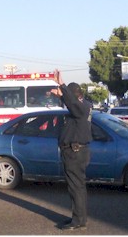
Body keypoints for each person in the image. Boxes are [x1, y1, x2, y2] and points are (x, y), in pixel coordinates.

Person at [48, 71, 91, 231]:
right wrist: (61, 95)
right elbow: (72, 105)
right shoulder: (82, 107)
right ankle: (79, 218)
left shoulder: (81, 108)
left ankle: (78, 221)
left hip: (75, 152)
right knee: (78, 187)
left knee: (75, 187)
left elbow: (72, 104)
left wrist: (62, 85)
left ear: (73, 96)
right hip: (76, 151)